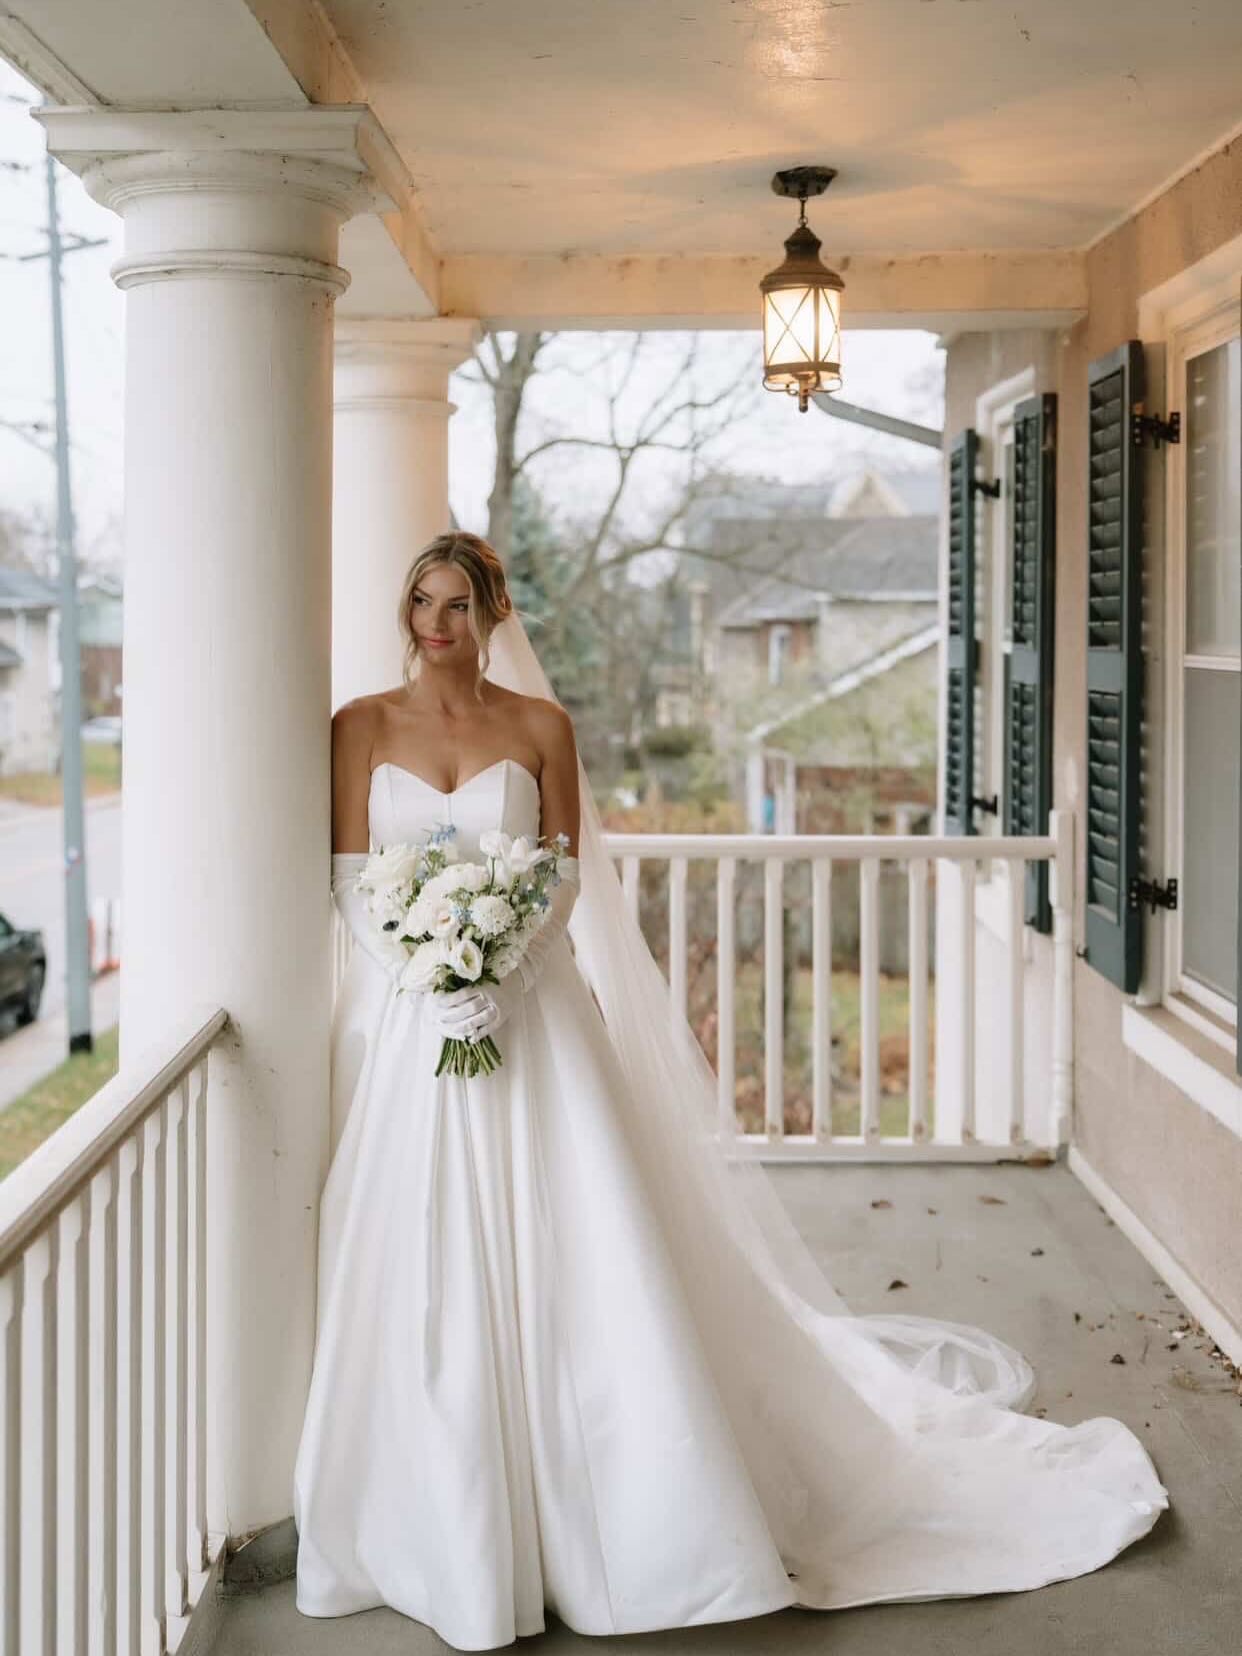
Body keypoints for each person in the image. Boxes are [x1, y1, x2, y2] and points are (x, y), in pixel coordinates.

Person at [292, 531, 1168, 1652]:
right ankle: (429, 1526)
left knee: (580, 1253)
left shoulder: (540, 728)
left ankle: (625, 1523)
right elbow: (352, 879)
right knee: (420, 1264)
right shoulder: (358, 727)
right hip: (416, 1026)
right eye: (421, 600)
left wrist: (499, 969)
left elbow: (559, 875)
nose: (435, 624)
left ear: (494, 612)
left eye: (458, 604)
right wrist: (429, 973)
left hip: (532, 1018)